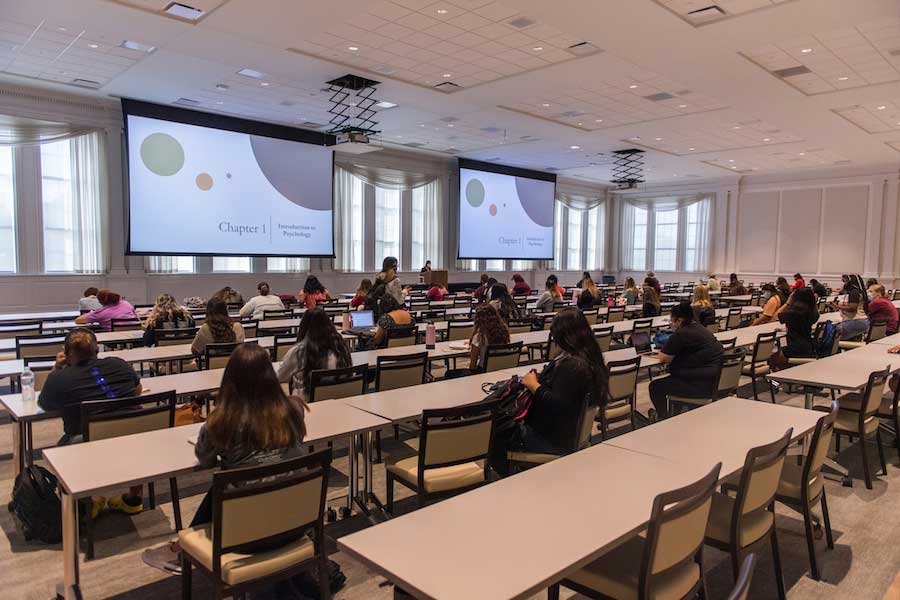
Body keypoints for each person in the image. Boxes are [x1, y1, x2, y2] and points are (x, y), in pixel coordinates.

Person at [142, 343, 309, 576]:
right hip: (297, 522)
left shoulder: (222, 420)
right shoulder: (294, 409)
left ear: (230, 379)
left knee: (229, 482)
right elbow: (296, 442)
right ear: (271, 376)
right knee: (236, 481)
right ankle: (182, 548)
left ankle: (183, 549)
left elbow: (205, 459)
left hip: (243, 536)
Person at [38, 328, 144, 514]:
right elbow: (137, 391)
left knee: (64, 447)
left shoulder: (60, 378)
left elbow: (45, 404)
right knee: (129, 425)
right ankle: (134, 498)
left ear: (67, 355)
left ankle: (87, 503)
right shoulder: (119, 364)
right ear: (97, 351)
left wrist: (57, 368)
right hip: (135, 443)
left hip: (88, 447)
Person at [495, 308, 607, 475]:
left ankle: (511, 481)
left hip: (552, 439)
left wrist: (534, 385)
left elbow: (557, 404)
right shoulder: (590, 358)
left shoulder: (573, 365)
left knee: (495, 433)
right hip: (569, 433)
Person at [648, 302, 724, 420]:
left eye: (672, 320)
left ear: (679, 320)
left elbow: (664, 358)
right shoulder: (701, 328)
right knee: (673, 380)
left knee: (655, 386)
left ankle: (662, 418)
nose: (671, 323)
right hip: (715, 382)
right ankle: (675, 414)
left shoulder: (681, 334)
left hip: (698, 386)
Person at [277, 307, 353, 400]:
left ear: (304, 326)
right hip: (342, 401)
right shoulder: (341, 346)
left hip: (308, 405)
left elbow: (280, 378)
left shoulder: (298, 352)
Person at [769, 288, 819, 367]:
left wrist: (787, 303)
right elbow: (799, 325)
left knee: (772, 359)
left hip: (795, 348)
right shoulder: (812, 312)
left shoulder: (793, 313)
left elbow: (775, 317)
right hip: (808, 346)